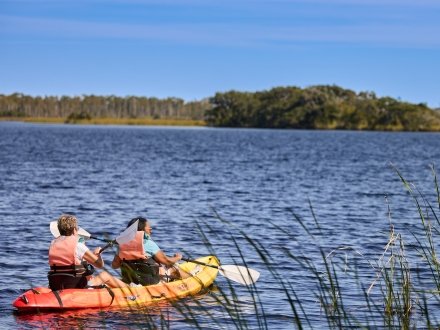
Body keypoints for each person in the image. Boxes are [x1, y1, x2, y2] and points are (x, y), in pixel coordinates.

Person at [48, 214, 128, 290]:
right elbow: (100, 265)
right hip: (76, 285)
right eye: (77, 229)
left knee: (92, 277)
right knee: (105, 275)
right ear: (74, 230)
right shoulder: (78, 246)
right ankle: (133, 290)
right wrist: (98, 254)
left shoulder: (53, 244)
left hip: (56, 284)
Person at [111, 217, 190, 286]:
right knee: (173, 266)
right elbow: (167, 261)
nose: (151, 229)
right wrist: (177, 258)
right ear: (142, 230)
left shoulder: (122, 245)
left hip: (130, 281)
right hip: (150, 282)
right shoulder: (148, 244)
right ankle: (191, 280)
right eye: (149, 227)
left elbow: (115, 266)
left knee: (160, 267)